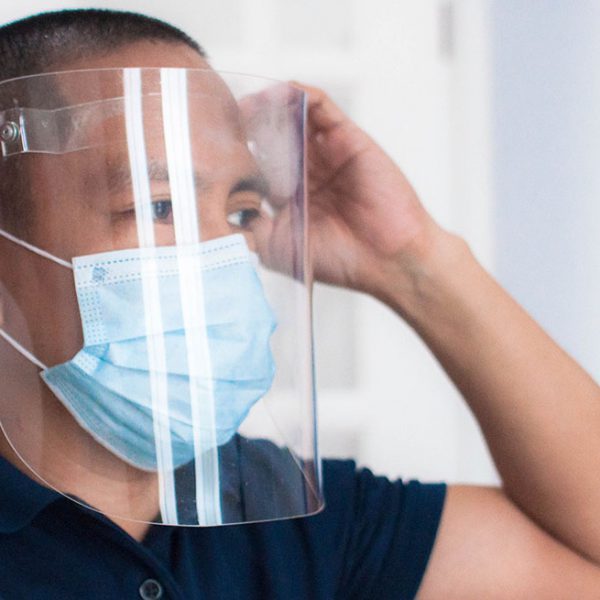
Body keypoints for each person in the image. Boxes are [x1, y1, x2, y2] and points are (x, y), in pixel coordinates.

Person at [0, 8, 599, 600]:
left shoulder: (295, 522)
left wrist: (415, 261)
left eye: (241, 214)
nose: (225, 253)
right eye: (161, 207)